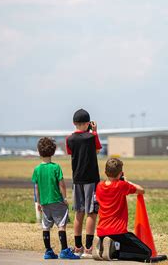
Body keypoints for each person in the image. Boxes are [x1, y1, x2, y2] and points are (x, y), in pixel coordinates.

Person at [93, 157, 152, 262]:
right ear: (120, 173)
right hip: (118, 231)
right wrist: (126, 181)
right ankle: (113, 249)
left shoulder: (99, 186)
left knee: (121, 243)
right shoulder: (121, 185)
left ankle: (102, 245)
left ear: (105, 172)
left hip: (102, 231)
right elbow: (141, 190)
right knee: (147, 253)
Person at [32, 137, 79, 260]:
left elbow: (36, 187)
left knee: (46, 226)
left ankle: (48, 251)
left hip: (44, 202)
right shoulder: (56, 167)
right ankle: (64, 250)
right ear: (53, 151)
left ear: (38, 151)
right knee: (61, 225)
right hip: (57, 200)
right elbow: (61, 184)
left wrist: (38, 201)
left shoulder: (37, 169)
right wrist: (64, 197)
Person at [66, 108, 102, 258]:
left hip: (77, 180)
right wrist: (95, 131)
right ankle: (88, 248)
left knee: (78, 213)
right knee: (91, 213)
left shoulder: (69, 139)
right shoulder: (91, 136)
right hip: (91, 179)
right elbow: (98, 150)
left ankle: (78, 246)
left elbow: (70, 153)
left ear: (74, 123)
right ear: (88, 123)